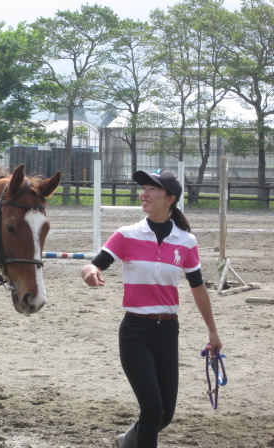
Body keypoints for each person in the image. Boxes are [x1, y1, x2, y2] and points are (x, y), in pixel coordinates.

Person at [81, 169, 222, 448]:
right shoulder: (126, 234)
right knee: (153, 410)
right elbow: (94, 264)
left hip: (168, 331)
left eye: (152, 189)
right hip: (135, 331)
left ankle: (126, 441)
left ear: (170, 199)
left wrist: (213, 332)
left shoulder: (186, 241)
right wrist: (90, 271)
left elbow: (198, 287)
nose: (144, 193)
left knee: (165, 415)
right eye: (143, 187)